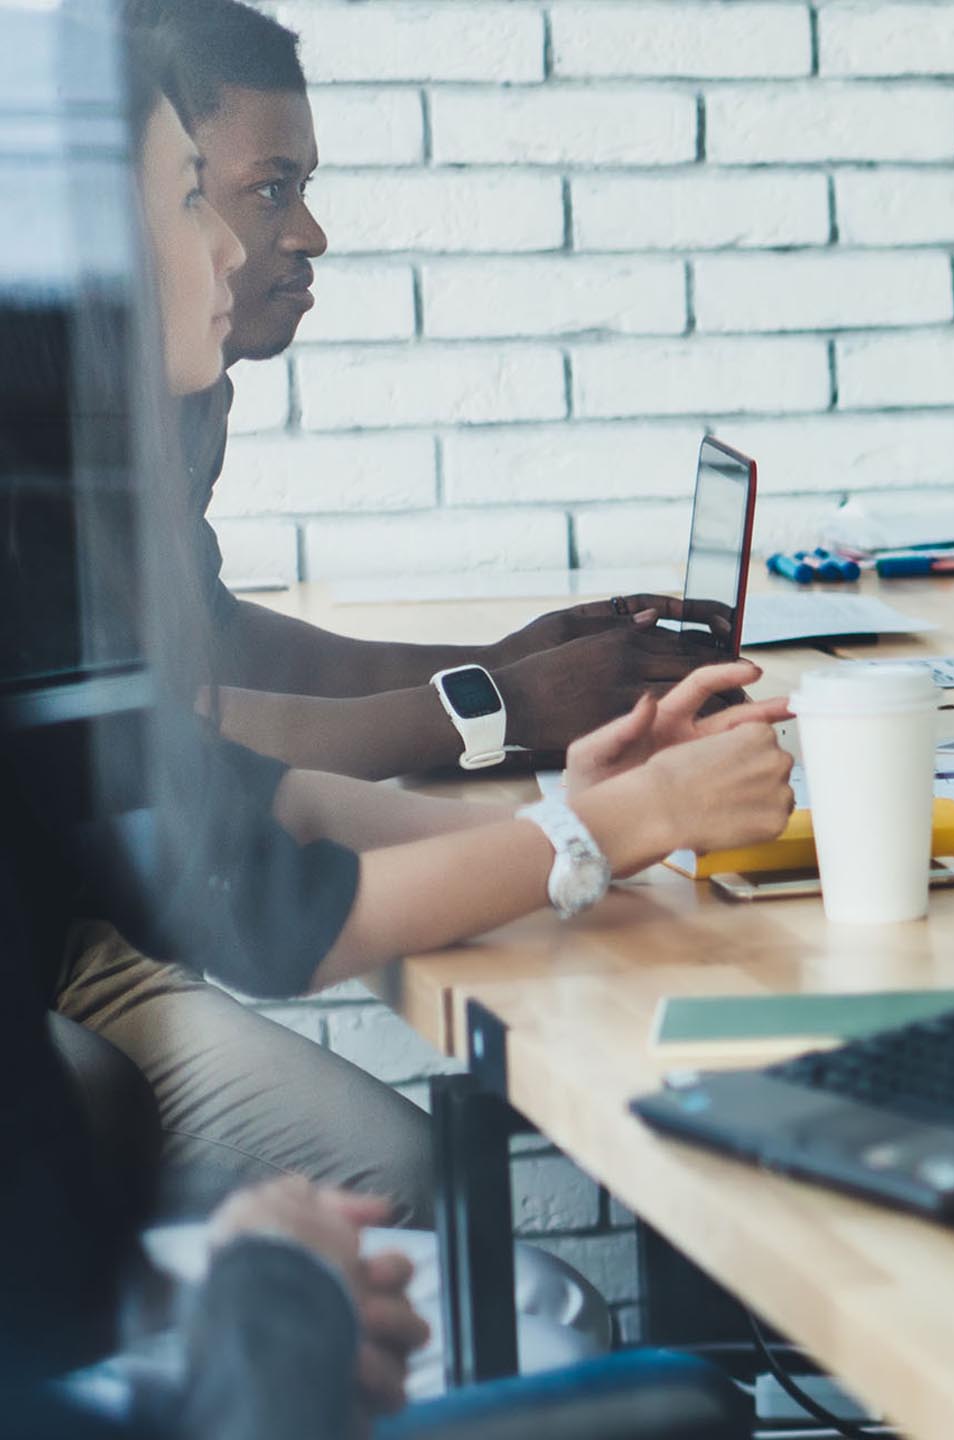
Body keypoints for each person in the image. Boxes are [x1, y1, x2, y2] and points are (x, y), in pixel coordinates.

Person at [44, 24, 800, 1223]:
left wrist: (555, 790)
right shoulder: (37, 524)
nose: (260, 241)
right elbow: (266, 907)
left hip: (64, 932)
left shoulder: (133, 428)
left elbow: (227, 774)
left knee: (423, 1177)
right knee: (419, 1188)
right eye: (209, 199)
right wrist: (615, 813)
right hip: (50, 967)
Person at [131, 0, 734, 784]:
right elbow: (149, 739)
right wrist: (506, 701)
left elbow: (213, 643)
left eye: (304, 185)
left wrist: (503, 665)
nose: (313, 234)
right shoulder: (47, 435)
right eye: (272, 190)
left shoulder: (189, 396)